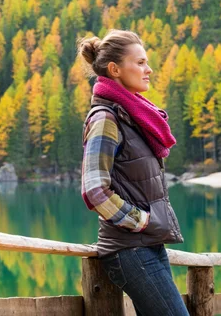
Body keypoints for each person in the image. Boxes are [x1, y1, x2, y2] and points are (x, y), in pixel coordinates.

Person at [78, 29, 188, 316]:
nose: (148, 69)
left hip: (147, 245)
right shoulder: (105, 118)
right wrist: (140, 221)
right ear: (114, 69)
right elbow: (94, 190)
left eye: (146, 62)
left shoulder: (132, 116)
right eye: (139, 63)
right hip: (129, 249)